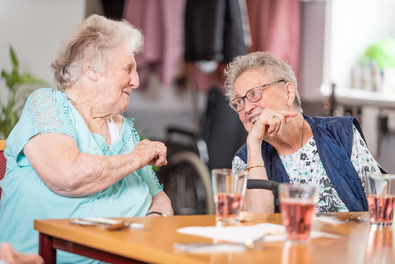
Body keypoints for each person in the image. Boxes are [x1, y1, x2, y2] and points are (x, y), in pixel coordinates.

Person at [0, 15, 173, 263]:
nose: (135, 81)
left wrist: (156, 219)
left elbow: (158, 196)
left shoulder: (123, 129)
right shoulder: (47, 105)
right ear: (91, 67)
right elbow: (67, 176)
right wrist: (137, 157)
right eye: (128, 69)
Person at [224, 51, 383, 214]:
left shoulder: (342, 134)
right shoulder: (245, 159)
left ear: (288, 93)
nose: (247, 108)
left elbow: (384, 207)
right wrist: (254, 143)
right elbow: (256, 224)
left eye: (254, 94)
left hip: (353, 238)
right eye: (239, 102)